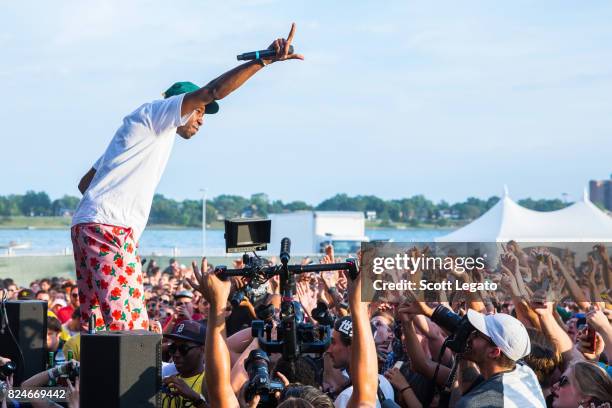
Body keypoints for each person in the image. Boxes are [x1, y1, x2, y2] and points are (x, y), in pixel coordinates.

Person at [70, 23, 304, 332]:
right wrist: (262, 60)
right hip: (110, 229)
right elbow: (212, 91)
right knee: (130, 333)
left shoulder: (139, 133)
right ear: (184, 105)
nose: (202, 120)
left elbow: (86, 184)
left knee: (98, 329)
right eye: (200, 112)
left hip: (86, 225)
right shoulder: (157, 113)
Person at [326, 316, 394, 408]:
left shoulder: (347, 397)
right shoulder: (384, 382)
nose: (329, 350)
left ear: (352, 348)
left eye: (333, 343)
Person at [161, 320, 207, 408]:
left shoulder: (210, 383)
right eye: (173, 348)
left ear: (203, 349)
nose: (176, 354)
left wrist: (197, 400)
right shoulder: (167, 381)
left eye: (184, 348)